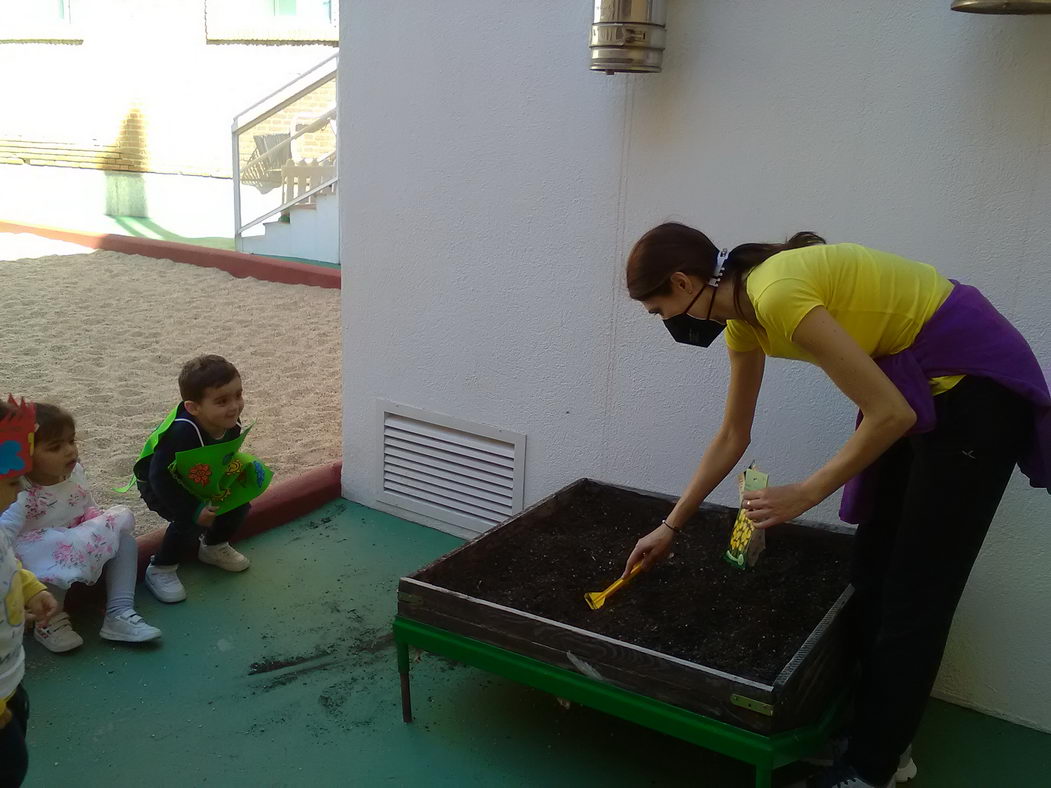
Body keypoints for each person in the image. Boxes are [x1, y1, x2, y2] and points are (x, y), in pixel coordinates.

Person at [621, 223, 1050, 788]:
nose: (666, 323)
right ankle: (876, 739)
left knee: (916, 593)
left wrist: (806, 492)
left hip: (976, 390)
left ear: (683, 282)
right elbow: (732, 435)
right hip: (920, 384)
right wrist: (670, 525)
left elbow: (890, 415)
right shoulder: (743, 323)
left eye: (659, 309)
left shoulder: (775, 294)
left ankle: (872, 771)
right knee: (873, 567)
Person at [16, 403, 161, 652]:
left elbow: (86, 506)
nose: (70, 451)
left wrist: (98, 528)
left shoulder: (74, 473)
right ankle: (49, 621)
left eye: (71, 441)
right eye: (55, 447)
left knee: (121, 536)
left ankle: (119, 611)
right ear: (24, 457)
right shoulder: (19, 489)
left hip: (77, 537)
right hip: (39, 554)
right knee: (49, 551)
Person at [134, 355, 254, 604]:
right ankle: (161, 568)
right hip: (159, 483)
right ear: (193, 407)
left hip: (195, 474)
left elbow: (221, 454)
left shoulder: (229, 421)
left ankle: (213, 546)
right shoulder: (182, 433)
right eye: (222, 401)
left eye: (238, 395)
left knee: (239, 502)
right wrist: (193, 508)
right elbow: (159, 476)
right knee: (189, 520)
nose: (234, 406)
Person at [1, 396, 59, 787]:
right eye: (11, 481)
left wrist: (30, 587)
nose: (22, 490)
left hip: (9, 677)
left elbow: (8, 564)